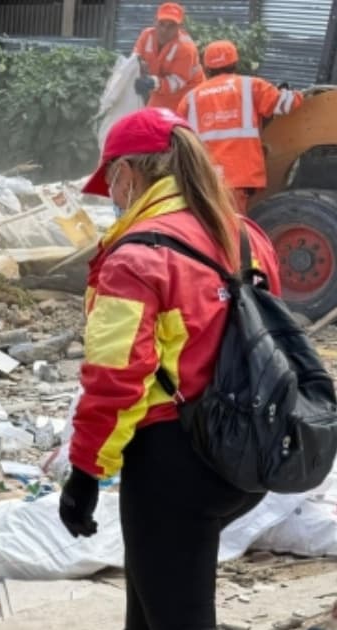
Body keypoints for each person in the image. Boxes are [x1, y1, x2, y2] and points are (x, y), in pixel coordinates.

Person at [61, 107, 281, 630]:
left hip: (173, 462)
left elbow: (117, 378)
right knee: (153, 607)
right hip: (249, 449)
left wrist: (86, 471)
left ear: (128, 175)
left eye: (111, 184)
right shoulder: (247, 235)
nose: (112, 198)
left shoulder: (137, 257)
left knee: (175, 615)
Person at [176, 40, 303, 214]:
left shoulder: (190, 98)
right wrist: (296, 95)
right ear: (235, 63)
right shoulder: (251, 86)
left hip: (202, 178)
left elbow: (178, 137)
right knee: (231, 231)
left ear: (206, 68)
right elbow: (284, 104)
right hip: (238, 177)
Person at [132, 3, 203, 111]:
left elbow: (177, 81)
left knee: (178, 124)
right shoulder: (146, 35)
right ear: (155, 22)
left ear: (179, 27)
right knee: (151, 120)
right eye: (161, 24)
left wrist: (152, 82)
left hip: (189, 93)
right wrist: (138, 68)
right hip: (161, 90)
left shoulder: (185, 48)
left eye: (171, 26)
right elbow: (135, 59)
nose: (164, 30)